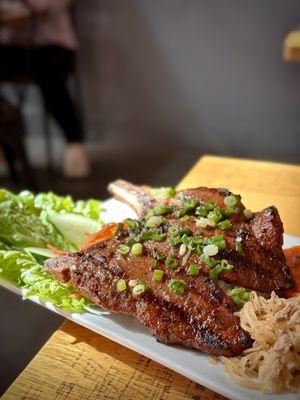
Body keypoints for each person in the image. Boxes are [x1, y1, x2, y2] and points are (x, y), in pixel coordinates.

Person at [0, 0, 90, 177]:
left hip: (52, 44)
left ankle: (74, 143)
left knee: (50, 75)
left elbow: (44, 7)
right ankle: (6, 142)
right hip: (11, 45)